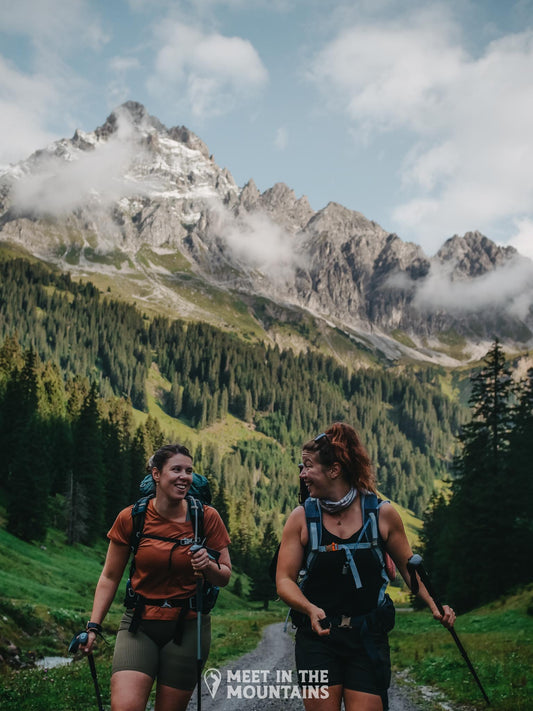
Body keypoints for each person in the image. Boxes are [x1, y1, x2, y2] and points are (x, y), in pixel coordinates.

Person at [276, 423, 455, 711]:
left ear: (334, 470)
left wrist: (436, 606)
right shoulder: (301, 518)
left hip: (367, 636)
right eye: (302, 467)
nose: (302, 475)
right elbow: (284, 580)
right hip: (317, 639)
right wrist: (308, 609)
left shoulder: (381, 514)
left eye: (308, 467)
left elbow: (410, 569)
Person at [80, 443, 231, 711]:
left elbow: (224, 576)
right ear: (156, 474)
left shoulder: (207, 517)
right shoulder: (132, 517)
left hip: (189, 627)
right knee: (125, 707)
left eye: (189, 470)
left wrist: (207, 566)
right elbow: (110, 577)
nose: (185, 476)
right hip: (139, 625)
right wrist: (93, 626)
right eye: (176, 469)